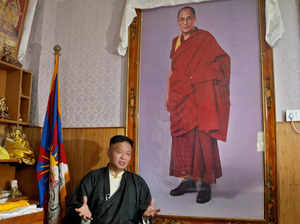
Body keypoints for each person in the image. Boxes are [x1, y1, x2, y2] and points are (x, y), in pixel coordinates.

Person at [166, 6, 230, 203]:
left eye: (188, 18)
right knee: (182, 140)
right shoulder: (175, 42)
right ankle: (188, 181)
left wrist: (200, 77)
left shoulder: (205, 38)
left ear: (194, 20)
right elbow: (173, 70)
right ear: (178, 22)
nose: (185, 22)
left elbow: (222, 61)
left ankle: (206, 184)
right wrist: (169, 95)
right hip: (180, 96)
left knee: (202, 138)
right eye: (181, 19)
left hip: (200, 97)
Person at [62, 135, 159, 224]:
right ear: (109, 152)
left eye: (128, 154)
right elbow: (75, 208)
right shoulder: (92, 178)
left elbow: (145, 215)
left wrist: (145, 218)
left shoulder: (138, 183)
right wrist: (84, 219)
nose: (123, 157)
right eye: (119, 152)